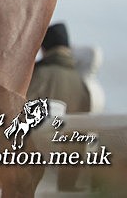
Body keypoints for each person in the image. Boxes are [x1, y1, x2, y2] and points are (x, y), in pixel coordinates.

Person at [27, 22, 90, 192]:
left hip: (26, 173)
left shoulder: (35, 74)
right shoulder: (81, 84)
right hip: (60, 177)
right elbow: (80, 136)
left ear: (43, 48)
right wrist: (67, 184)